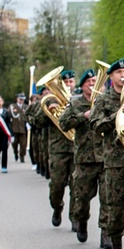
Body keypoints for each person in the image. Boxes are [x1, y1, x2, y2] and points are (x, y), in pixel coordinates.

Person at [89, 58, 124, 249]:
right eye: (120, 72)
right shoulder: (103, 100)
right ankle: (116, 242)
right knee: (115, 210)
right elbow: (95, 125)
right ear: (111, 76)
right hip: (115, 163)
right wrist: (117, 115)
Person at [60, 69, 107, 246]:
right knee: (82, 198)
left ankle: (106, 233)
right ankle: (81, 222)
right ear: (83, 85)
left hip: (105, 158)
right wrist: (82, 117)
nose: (92, 84)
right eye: (89, 82)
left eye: (95, 81)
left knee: (107, 199)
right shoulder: (75, 103)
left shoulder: (104, 102)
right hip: (84, 159)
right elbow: (63, 123)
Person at [47, 71, 77, 230]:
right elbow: (37, 121)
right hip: (58, 150)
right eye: (65, 82)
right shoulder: (51, 100)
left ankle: (75, 218)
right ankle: (57, 207)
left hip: (77, 150)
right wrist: (47, 109)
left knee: (77, 187)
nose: (69, 85)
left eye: (71, 81)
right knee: (57, 185)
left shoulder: (80, 99)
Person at [9, 93, 30, 163]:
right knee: (14, 143)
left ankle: (22, 156)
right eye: (20, 99)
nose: (21, 101)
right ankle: (15, 153)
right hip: (14, 128)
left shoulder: (26, 107)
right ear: (17, 99)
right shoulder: (12, 106)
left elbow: (28, 116)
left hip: (23, 129)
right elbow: (9, 116)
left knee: (23, 144)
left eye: (23, 100)